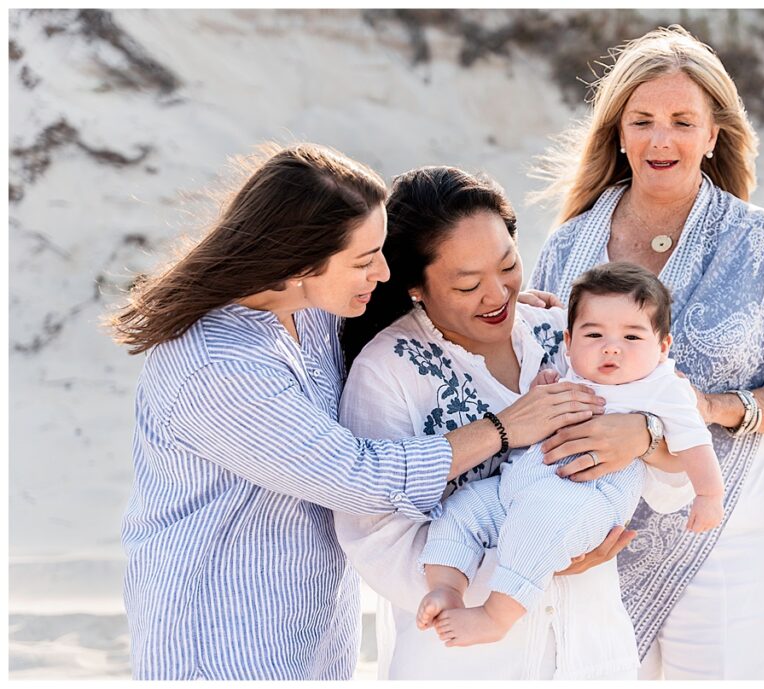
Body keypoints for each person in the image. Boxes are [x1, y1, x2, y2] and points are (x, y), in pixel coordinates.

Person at [106, 143, 603, 680]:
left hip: (314, 623)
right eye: (365, 260)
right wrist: (505, 429)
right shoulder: (218, 368)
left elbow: (421, 303)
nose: (384, 271)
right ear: (298, 263)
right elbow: (361, 477)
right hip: (223, 632)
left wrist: (499, 300)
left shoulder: (310, 311)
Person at [530, 25, 764, 679]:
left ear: (713, 134)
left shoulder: (756, 242)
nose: (662, 139)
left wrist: (712, 407)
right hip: (595, 533)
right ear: (620, 132)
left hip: (724, 533)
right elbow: (538, 390)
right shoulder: (568, 247)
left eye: (682, 121)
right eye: (643, 120)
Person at [336, 166, 692, 680]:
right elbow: (376, 537)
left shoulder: (568, 333)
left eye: (507, 266)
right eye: (467, 284)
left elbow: (675, 481)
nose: (498, 294)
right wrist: (528, 566)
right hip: (468, 663)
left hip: (589, 646)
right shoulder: (388, 370)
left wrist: (645, 437)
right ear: (415, 286)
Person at [416, 261, 723, 647]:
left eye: (632, 337)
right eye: (593, 334)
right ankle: (446, 586)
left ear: (662, 347)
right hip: (516, 483)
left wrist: (710, 495)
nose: (611, 347)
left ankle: (497, 615)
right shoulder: (573, 372)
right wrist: (544, 386)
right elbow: (539, 408)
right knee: (464, 508)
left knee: (541, 524)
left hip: (587, 495)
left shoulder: (663, 388)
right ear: (569, 340)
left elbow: (695, 442)